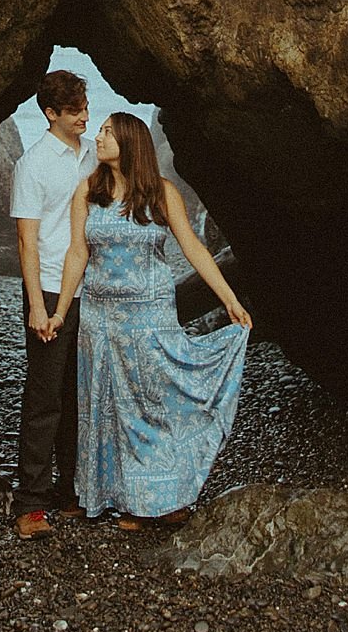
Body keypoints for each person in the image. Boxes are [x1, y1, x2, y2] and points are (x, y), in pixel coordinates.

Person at [48, 110, 251, 527]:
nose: (98, 138)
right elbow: (77, 254)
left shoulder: (161, 192)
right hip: (101, 320)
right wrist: (60, 312)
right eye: (100, 131)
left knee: (153, 406)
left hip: (151, 315)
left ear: (130, 143)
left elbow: (193, 248)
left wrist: (229, 299)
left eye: (107, 132)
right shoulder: (88, 191)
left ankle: (164, 498)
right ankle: (128, 499)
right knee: (109, 410)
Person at [8, 69, 95, 539]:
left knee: (76, 393)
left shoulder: (89, 156)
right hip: (45, 288)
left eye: (85, 106)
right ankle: (31, 503)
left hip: (87, 286)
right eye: (75, 110)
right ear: (50, 114)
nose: (85, 115)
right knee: (44, 397)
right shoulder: (33, 164)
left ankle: (72, 491)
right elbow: (27, 240)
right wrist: (36, 308)